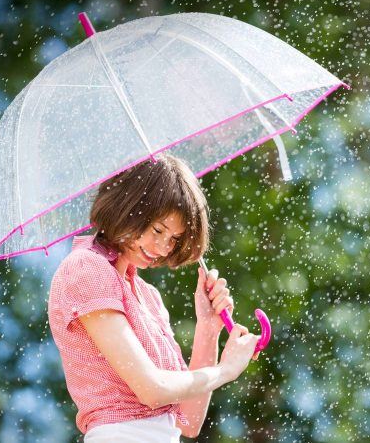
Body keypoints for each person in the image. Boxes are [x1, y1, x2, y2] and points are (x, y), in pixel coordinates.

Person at [48, 155, 259, 442]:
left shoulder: (148, 296)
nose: (162, 247)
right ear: (128, 208)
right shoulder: (86, 268)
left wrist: (208, 329)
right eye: (158, 229)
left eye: (174, 238)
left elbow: (189, 421)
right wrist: (226, 370)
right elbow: (152, 389)